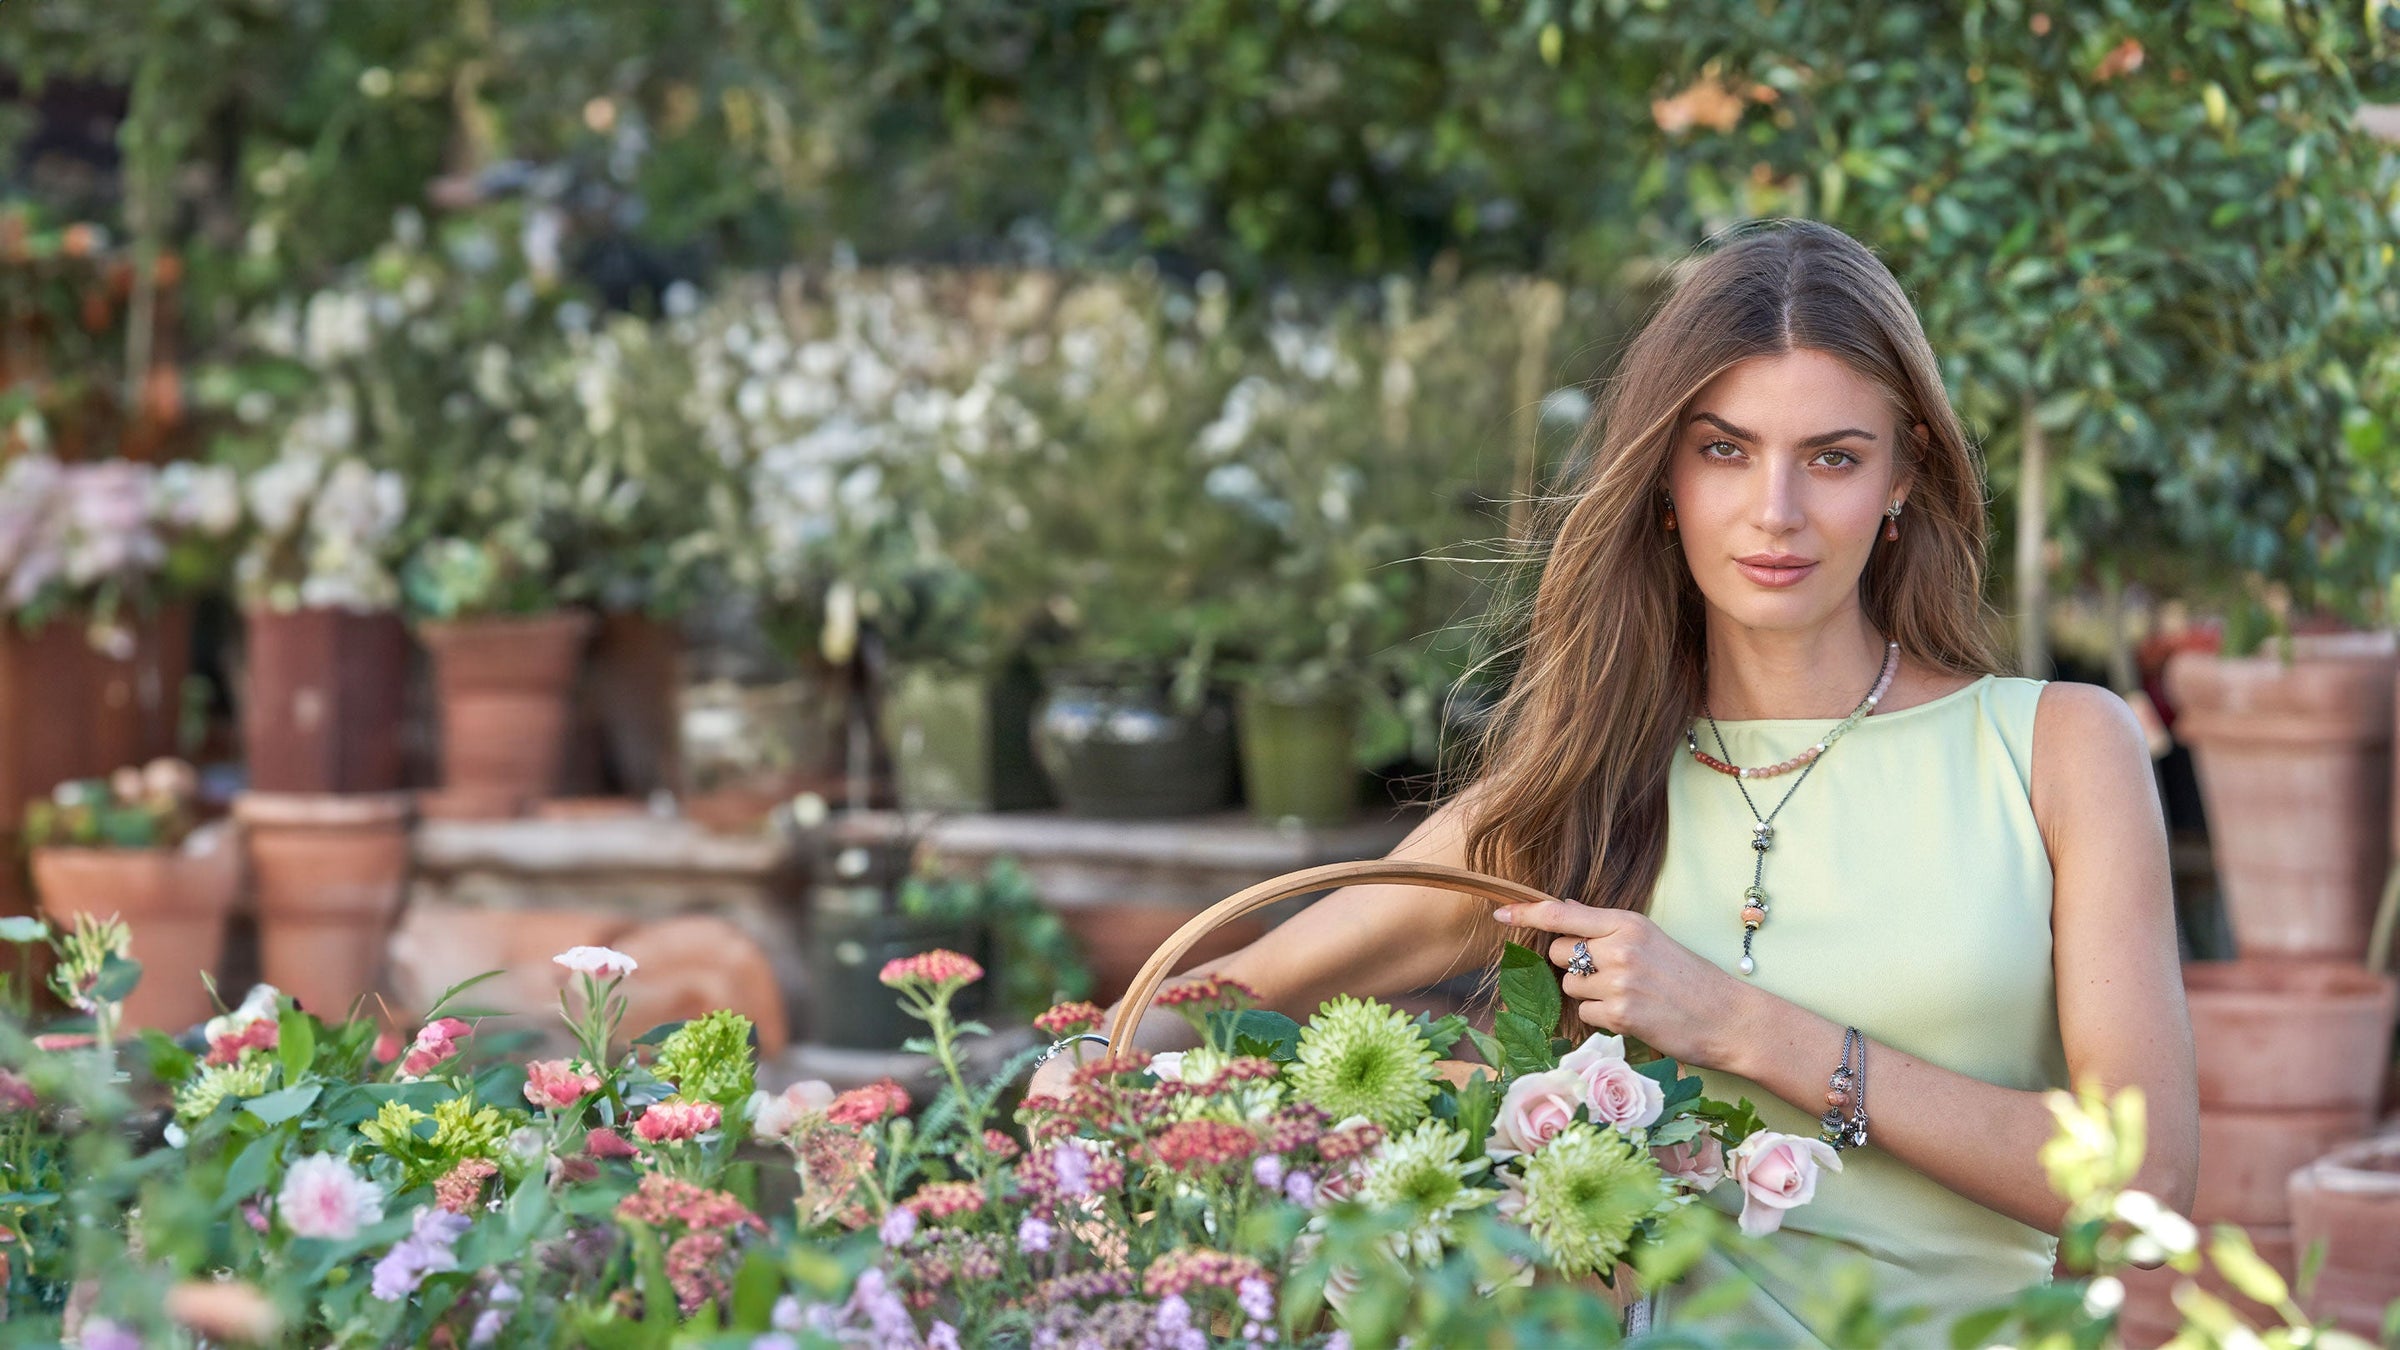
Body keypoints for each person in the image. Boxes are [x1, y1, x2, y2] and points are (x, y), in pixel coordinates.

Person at [1030, 218, 2199, 1343]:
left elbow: (2144, 1191)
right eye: (1725, 450)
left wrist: (1741, 1026)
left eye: (1833, 458)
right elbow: (1233, 994)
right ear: (1664, 479)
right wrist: (1088, 1064)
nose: (1776, 512)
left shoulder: (2056, 750)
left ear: (1906, 474)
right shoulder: (1578, 787)